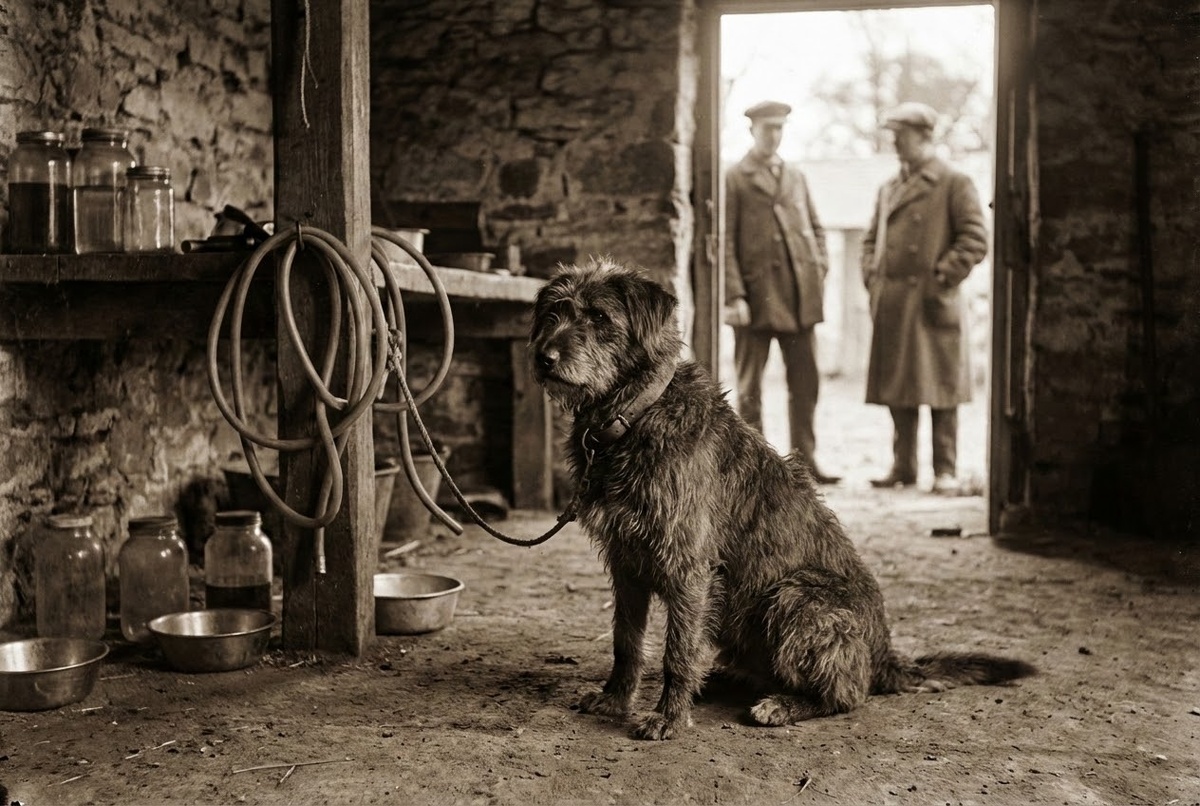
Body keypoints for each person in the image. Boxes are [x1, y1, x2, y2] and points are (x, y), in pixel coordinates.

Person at [861, 101, 989, 494]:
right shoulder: (889, 187)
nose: (896, 144)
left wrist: (942, 276)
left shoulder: (954, 182)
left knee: (941, 390)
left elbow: (975, 239)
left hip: (933, 301)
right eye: (893, 137)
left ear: (926, 137)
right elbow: (870, 240)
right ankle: (903, 467)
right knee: (900, 390)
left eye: (903, 137)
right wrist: (872, 275)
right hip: (896, 303)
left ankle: (945, 470)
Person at [724, 100, 840, 484]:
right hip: (756, 301)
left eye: (779, 128)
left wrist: (819, 266)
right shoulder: (735, 177)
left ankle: (805, 462)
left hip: (798, 297)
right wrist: (734, 294)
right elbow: (723, 239)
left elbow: (817, 227)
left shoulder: (795, 175)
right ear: (752, 131)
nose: (774, 136)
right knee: (749, 387)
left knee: (806, 385)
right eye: (767, 128)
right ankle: (753, 468)